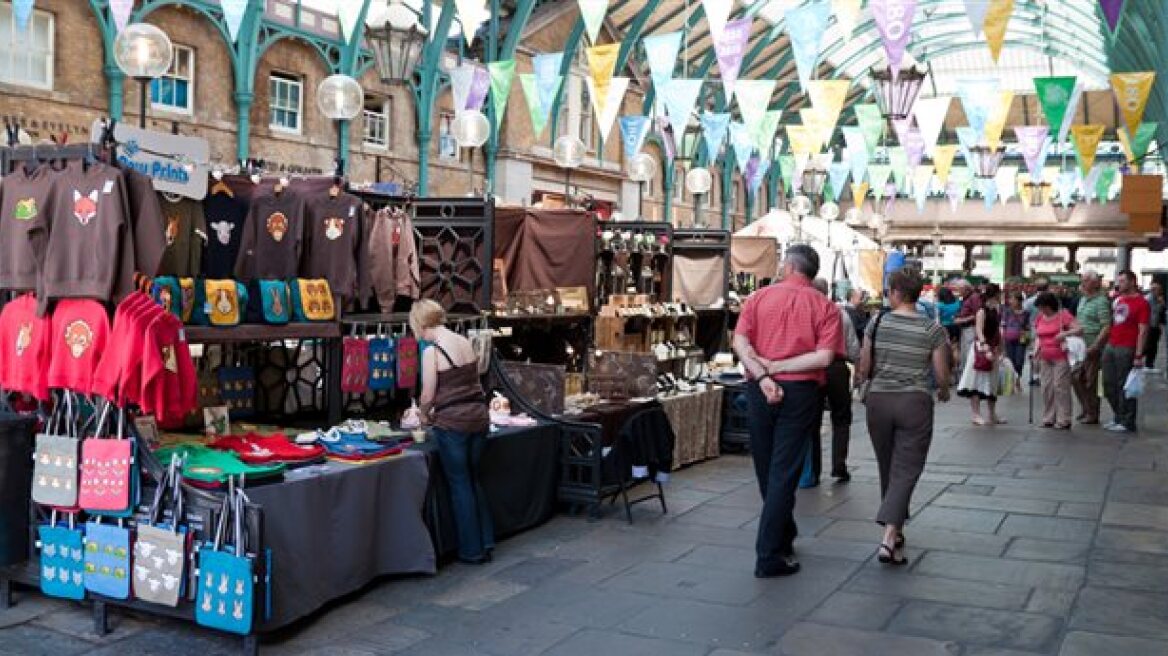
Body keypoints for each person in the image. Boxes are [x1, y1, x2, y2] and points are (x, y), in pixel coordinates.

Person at [733, 245, 844, 578]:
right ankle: (769, 552)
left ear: (788, 266)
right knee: (784, 470)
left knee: (767, 466)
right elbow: (824, 357)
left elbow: (739, 342)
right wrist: (777, 368)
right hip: (800, 391)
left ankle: (782, 533)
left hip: (759, 386)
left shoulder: (758, 297)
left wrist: (765, 374)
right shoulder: (825, 306)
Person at [854, 269, 950, 566]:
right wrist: (944, 391)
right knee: (907, 469)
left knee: (889, 467)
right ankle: (888, 538)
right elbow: (941, 373)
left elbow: (864, 366)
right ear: (918, 292)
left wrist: (861, 378)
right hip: (914, 403)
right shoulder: (931, 329)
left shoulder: (877, 321)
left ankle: (895, 532)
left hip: (879, 402)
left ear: (896, 292)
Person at [412, 299, 495, 564]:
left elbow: (427, 394)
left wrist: (423, 416)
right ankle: (486, 540)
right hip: (478, 418)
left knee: (459, 484)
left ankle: (471, 551)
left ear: (421, 324)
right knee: (473, 478)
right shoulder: (464, 342)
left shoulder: (432, 352)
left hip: (453, 424)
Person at [813, 278, 861, 483]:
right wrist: (858, 371)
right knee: (841, 418)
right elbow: (853, 348)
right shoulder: (840, 313)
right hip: (837, 368)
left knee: (811, 419)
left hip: (809, 368)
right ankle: (839, 464)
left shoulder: (805, 311)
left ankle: (811, 470)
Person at [1102, 271, 1150, 433]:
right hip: (1112, 344)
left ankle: (1127, 420)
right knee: (1108, 383)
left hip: (1127, 347)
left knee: (1125, 385)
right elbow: (1112, 323)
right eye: (1118, 280)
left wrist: (1138, 354)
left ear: (1132, 282)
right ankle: (1118, 415)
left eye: (1122, 281)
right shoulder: (1118, 300)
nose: (1119, 284)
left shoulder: (1141, 303)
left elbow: (1143, 330)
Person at [1032, 292, 1081, 429]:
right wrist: (1036, 349)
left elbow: (1079, 329)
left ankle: (1064, 418)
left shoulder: (1063, 315)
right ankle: (1049, 417)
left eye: (1043, 307)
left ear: (1049, 305)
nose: (1042, 310)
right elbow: (1038, 335)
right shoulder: (1040, 317)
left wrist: (1064, 334)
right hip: (1044, 355)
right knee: (1046, 387)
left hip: (1061, 355)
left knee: (1061, 387)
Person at [957, 283, 1003, 425]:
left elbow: (997, 331)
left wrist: (999, 348)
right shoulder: (981, 311)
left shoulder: (996, 310)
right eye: (998, 294)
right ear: (994, 295)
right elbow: (979, 331)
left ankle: (992, 414)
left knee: (992, 382)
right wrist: (985, 347)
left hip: (992, 348)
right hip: (981, 349)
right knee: (976, 381)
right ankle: (976, 414)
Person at [1072, 271, 1111, 425]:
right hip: (1080, 345)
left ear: (1095, 283)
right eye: (1083, 279)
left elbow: (1106, 326)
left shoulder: (1101, 301)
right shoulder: (1082, 300)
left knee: (1090, 381)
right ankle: (1085, 407)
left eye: (1087, 280)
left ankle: (1092, 412)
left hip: (1092, 345)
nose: (1083, 282)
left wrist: (1096, 345)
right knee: (1075, 378)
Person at [1000, 292, 1031, 382]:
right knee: (1011, 361)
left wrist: (1028, 339)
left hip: (1021, 340)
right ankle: (1013, 381)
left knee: (1019, 361)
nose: (1010, 301)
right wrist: (1002, 338)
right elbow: (1003, 325)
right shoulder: (1007, 311)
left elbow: (1027, 327)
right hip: (1008, 339)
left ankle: (1018, 377)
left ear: (1019, 301)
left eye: (1013, 299)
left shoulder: (1026, 313)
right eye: (1010, 299)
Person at [952, 280, 982, 368]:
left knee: (969, 353)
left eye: (959, 290)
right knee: (964, 354)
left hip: (970, 329)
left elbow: (978, 314)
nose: (958, 292)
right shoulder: (965, 298)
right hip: (964, 329)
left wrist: (963, 320)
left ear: (965, 289)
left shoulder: (974, 297)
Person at [1143, 280, 1164, 370]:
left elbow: (1158, 313)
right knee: (1149, 346)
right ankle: (1147, 364)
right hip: (1149, 326)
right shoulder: (1148, 299)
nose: (1159, 292)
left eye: (1160, 290)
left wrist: (1161, 304)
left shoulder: (1158, 300)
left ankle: (1150, 364)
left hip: (1155, 326)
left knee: (1154, 346)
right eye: (1157, 289)